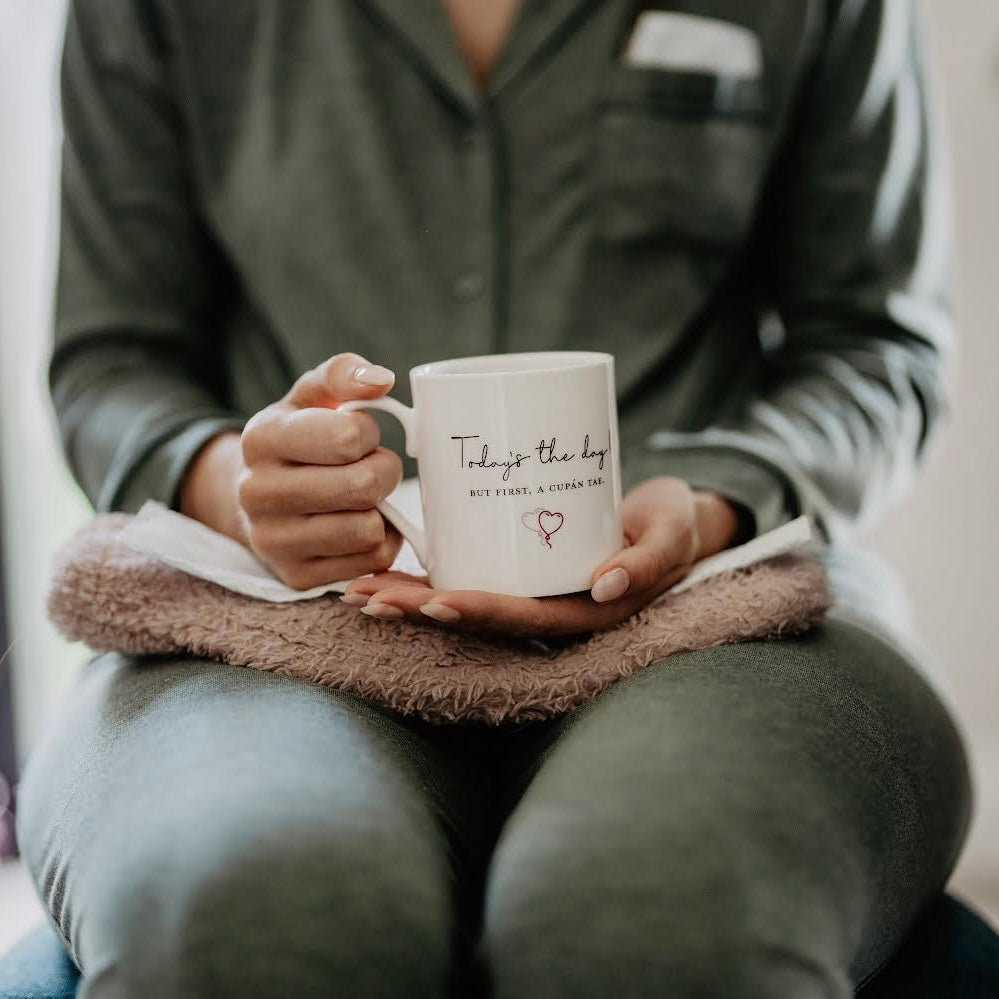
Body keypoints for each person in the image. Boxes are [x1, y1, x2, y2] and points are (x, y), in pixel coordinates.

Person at [17, 0, 972, 996]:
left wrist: (717, 502)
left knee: (658, 916)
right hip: (280, 618)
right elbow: (110, 362)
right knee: (261, 916)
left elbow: (880, 351)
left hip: (716, 603)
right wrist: (240, 488)